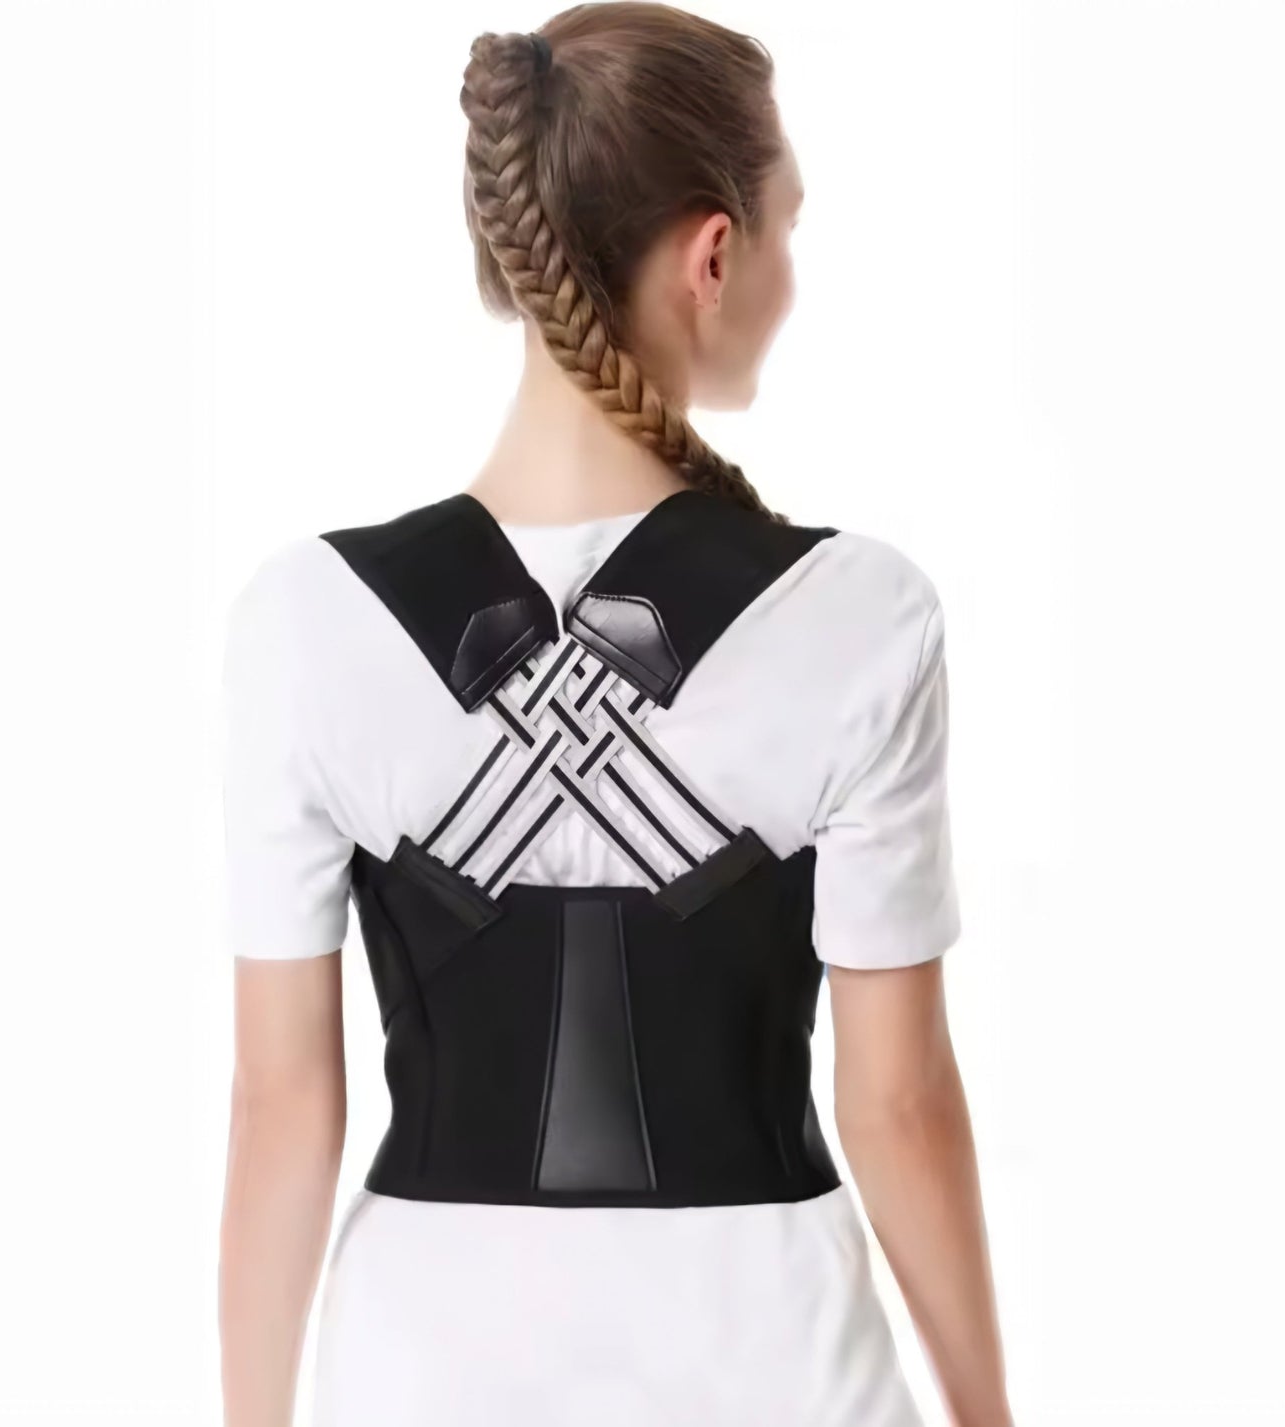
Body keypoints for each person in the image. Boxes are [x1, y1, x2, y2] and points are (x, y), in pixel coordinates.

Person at [217, 6, 1013, 1426]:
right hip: (772, 1369)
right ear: (714, 254)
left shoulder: (306, 621)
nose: (790, 273)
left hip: (424, 1371)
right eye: (787, 227)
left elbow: (284, 1107)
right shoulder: (861, 616)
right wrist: (988, 1414)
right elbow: (894, 1106)